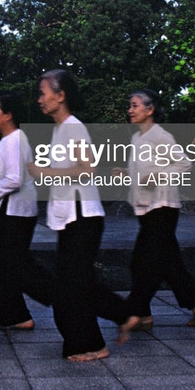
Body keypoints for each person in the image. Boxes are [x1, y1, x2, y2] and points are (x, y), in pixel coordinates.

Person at [33, 69, 138, 361]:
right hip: (72, 217)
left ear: (60, 95)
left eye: (43, 93)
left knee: (74, 286)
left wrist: (45, 172)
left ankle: (92, 344)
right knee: (77, 283)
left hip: (82, 217)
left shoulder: (73, 128)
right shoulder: (61, 130)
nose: (39, 99)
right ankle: (123, 315)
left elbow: (86, 167)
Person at [116, 89, 195, 330]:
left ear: (150, 109)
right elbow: (144, 170)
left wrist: (158, 177)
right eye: (130, 105)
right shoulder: (137, 138)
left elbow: (184, 163)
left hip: (162, 207)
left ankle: (138, 313)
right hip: (145, 208)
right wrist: (127, 173)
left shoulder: (160, 136)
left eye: (135, 105)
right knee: (168, 263)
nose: (130, 110)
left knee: (142, 262)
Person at [0, 93, 53, 330]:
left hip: (13, 214)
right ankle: (18, 316)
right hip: (12, 213)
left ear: (8, 115)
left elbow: (15, 179)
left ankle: (64, 296)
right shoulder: (10, 140)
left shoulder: (14, 141)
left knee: (13, 268)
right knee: (6, 268)